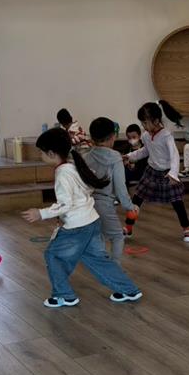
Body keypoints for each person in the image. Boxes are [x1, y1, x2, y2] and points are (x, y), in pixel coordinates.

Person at [20, 127, 141, 308]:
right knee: (98, 259)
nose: (40, 155)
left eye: (41, 152)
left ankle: (64, 295)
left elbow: (65, 204)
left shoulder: (62, 173)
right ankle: (129, 290)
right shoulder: (73, 165)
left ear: (51, 153)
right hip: (92, 221)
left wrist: (41, 213)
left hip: (77, 227)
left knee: (54, 255)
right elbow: (88, 187)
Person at [123, 101, 189, 243]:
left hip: (167, 173)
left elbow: (174, 155)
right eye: (142, 123)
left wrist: (173, 173)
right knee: (137, 198)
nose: (143, 126)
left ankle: (187, 228)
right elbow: (145, 151)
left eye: (145, 122)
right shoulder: (146, 135)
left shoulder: (166, 135)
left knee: (177, 202)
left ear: (156, 121)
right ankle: (128, 227)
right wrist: (130, 156)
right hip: (151, 172)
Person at [85, 117, 136, 262]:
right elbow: (120, 188)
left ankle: (101, 267)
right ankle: (114, 269)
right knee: (118, 236)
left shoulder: (86, 157)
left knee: (98, 236)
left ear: (92, 138)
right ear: (113, 136)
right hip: (105, 205)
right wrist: (130, 206)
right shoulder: (115, 157)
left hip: (87, 205)